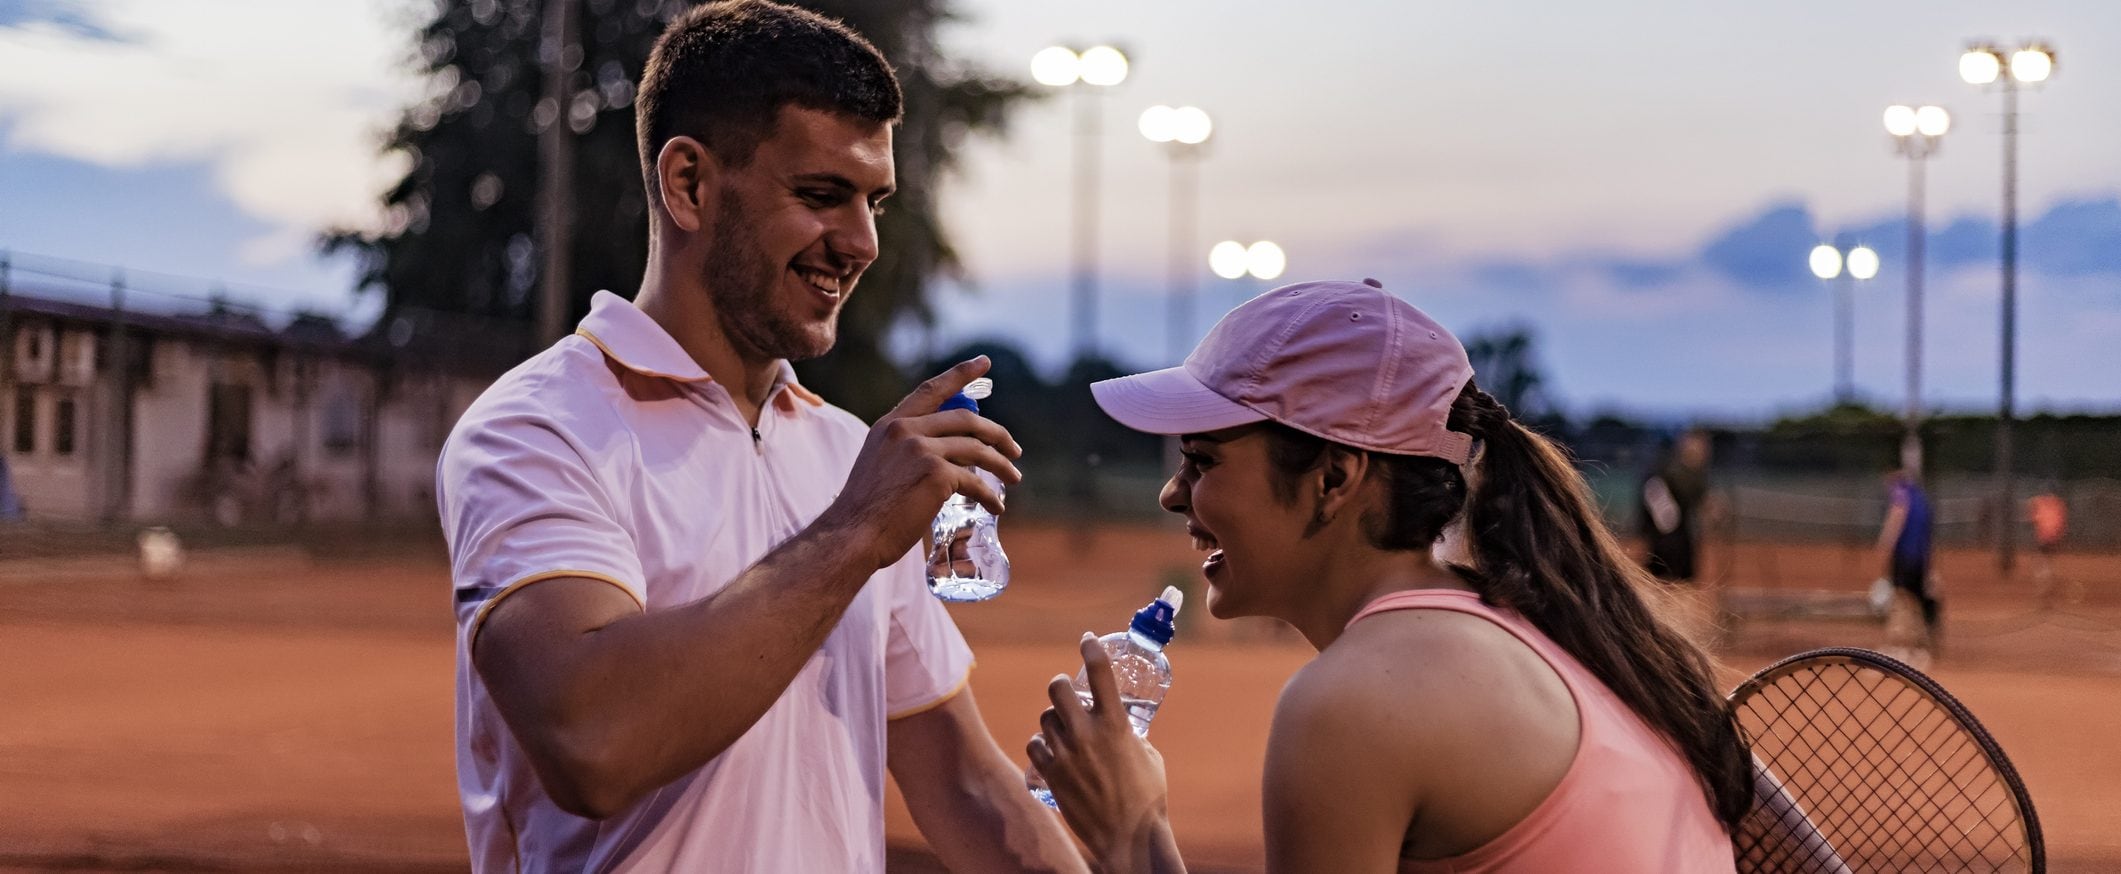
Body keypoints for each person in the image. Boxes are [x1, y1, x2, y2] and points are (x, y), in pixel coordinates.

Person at [436, 3, 1082, 871]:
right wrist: (853, 532)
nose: (858, 242)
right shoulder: (537, 430)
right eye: (821, 195)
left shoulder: (847, 455)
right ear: (690, 185)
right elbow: (592, 741)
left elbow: (965, 784)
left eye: (874, 201)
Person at [1026, 279, 1751, 873]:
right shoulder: (1552, 628)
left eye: (1204, 460)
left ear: (1335, 477)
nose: (1172, 492)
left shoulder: (1352, 704)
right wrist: (1144, 829)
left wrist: (1128, 842)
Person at [1874, 466, 1939, 650]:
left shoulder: (1900, 492)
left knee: (1901, 597)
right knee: (1918, 597)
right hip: (1921, 558)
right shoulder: (1922, 498)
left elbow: (1897, 516)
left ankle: (1900, 640)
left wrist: (1885, 542)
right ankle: (1922, 638)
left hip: (1905, 556)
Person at [1637, 429, 1712, 582]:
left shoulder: (1683, 472)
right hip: (1671, 539)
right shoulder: (1677, 472)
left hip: (1672, 537)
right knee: (1672, 579)